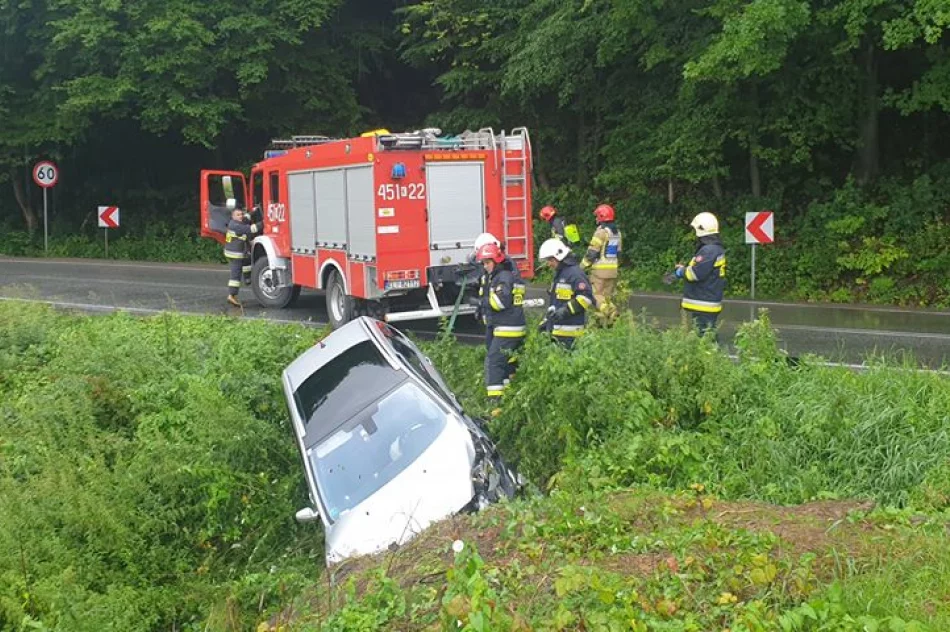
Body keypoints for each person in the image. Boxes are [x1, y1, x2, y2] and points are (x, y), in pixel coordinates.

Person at [476, 243, 526, 403]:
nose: (485, 266)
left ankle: (494, 405)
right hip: (507, 326)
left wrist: (481, 302)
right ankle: (506, 399)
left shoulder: (503, 277)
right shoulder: (501, 275)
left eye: (487, 262)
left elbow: (499, 303)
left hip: (507, 328)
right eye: (483, 263)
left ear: (496, 261)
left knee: (494, 362)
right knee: (505, 363)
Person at [672, 212, 726, 337]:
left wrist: (680, 272)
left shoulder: (708, 250)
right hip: (708, 301)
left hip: (704, 302)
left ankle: (711, 357)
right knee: (706, 336)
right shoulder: (714, 249)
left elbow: (696, 274)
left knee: (705, 338)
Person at [537, 238, 595, 349]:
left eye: (550, 260)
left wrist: (566, 310)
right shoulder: (560, 274)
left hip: (571, 334)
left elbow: (586, 297)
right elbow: (556, 302)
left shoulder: (574, 274)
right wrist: (546, 322)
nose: (548, 264)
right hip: (559, 332)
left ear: (558, 256)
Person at [581, 204, 622, 325]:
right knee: (606, 298)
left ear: (601, 217)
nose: (596, 219)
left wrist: (581, 267)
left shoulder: (600, 233)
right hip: (613, 270)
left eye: (597, 216)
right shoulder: (617, 233)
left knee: (595, 296)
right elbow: (619, 253)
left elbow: (592, 253)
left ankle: (611, 311)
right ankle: (604, 324)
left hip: (599, 271)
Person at [224, 207, 262, 307]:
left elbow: (247, 217)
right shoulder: (235, 226)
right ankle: (232, 295)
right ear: (233, 216)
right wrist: (266, 222)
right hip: (234, 254)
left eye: (241, 214)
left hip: (239, 252)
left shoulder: (239, 221)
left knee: (247, 260)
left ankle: (247, 278)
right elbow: (251, 229)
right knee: (235, 276)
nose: (241, 216)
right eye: (238, 215)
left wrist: (254, 210)